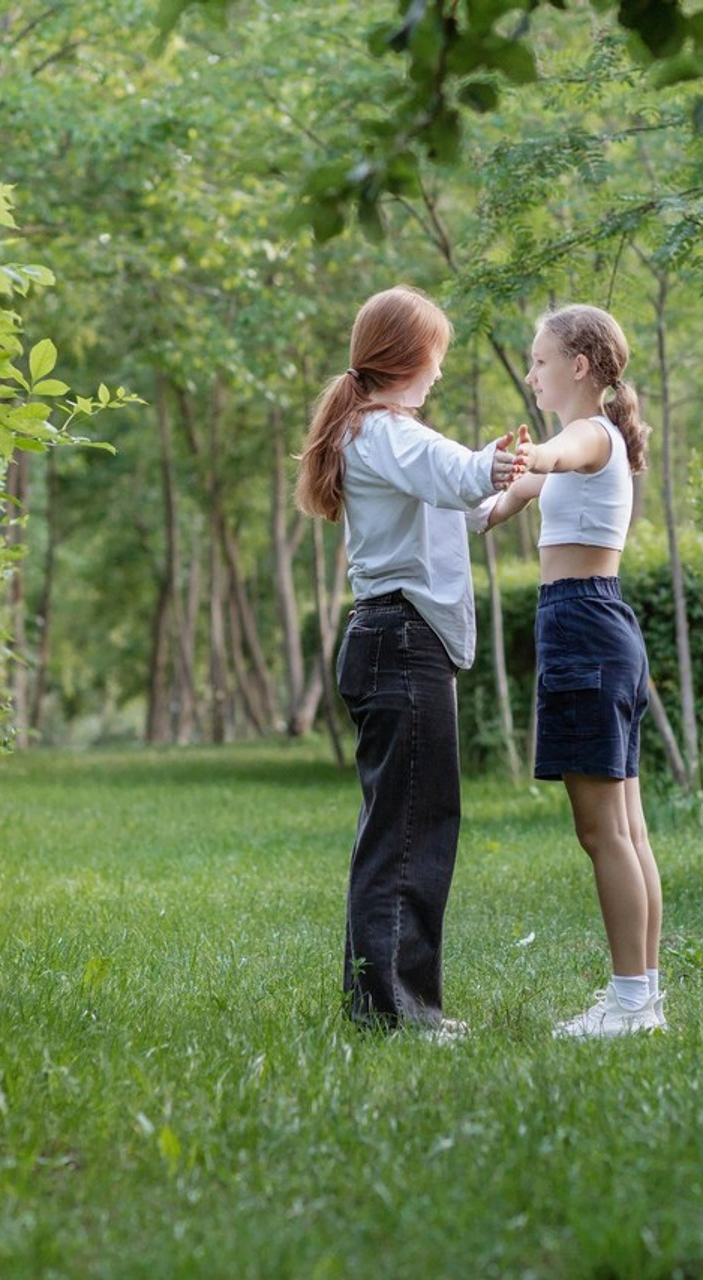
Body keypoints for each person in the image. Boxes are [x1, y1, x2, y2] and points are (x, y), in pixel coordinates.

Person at [295, 285, 516, 1036]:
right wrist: (505, 458)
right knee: (409, 835)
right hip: (401, 643)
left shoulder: (381, 435)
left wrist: (530, 473)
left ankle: (386, 1003)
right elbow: (461, 474)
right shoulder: (384, 432)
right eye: (440, 356)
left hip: (393, 641)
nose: (442, 373)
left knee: (407, 827)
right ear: (412, 357)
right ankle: (397, 1012)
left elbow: (467, 501)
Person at [483, 303, 665, 1037]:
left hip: (583, 626)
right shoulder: (586, 445)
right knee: (627, 829)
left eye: (539, 361)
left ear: (579, 366)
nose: (531, 375)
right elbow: (490, 506)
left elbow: (554, 458)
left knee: (605, 834)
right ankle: (642, 1000)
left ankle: (629, 1005)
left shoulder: (589, 435)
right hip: (598, 624)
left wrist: (530, 458)